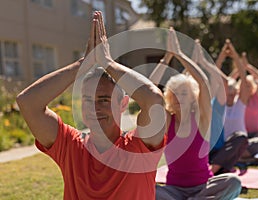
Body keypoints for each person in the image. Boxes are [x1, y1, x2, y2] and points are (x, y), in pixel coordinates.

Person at [16, 11, 166, 200]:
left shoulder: (140, 148)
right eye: (87, 100)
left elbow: (154, 99)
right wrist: (82, 64)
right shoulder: (71, 146)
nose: (94, 108)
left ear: (123, 103)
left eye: (103, 99)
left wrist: (108, 63)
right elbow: (27, 102)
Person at [150, 28, 241, 200]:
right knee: (149, 188)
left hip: (203, 188)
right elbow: (149, 89)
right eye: (174, 93)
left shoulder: (201, 118)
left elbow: (203, 82)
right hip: (174, 191)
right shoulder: (167, 119)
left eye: (183, 93)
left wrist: (179, 54)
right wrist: (167, 58)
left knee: (233, 182)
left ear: (193, 97)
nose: (178, 97)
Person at [209, 40, 249, 174]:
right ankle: (214, 171)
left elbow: (243, 79)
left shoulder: (240, 104)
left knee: (242, 138)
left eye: (233, 93)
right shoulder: (218, 105)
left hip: (235, 147)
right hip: (218, 150)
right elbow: (216, 76)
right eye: (228, 94)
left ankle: (215, 170)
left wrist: (235, 55)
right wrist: (221, 55)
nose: (230, 96)